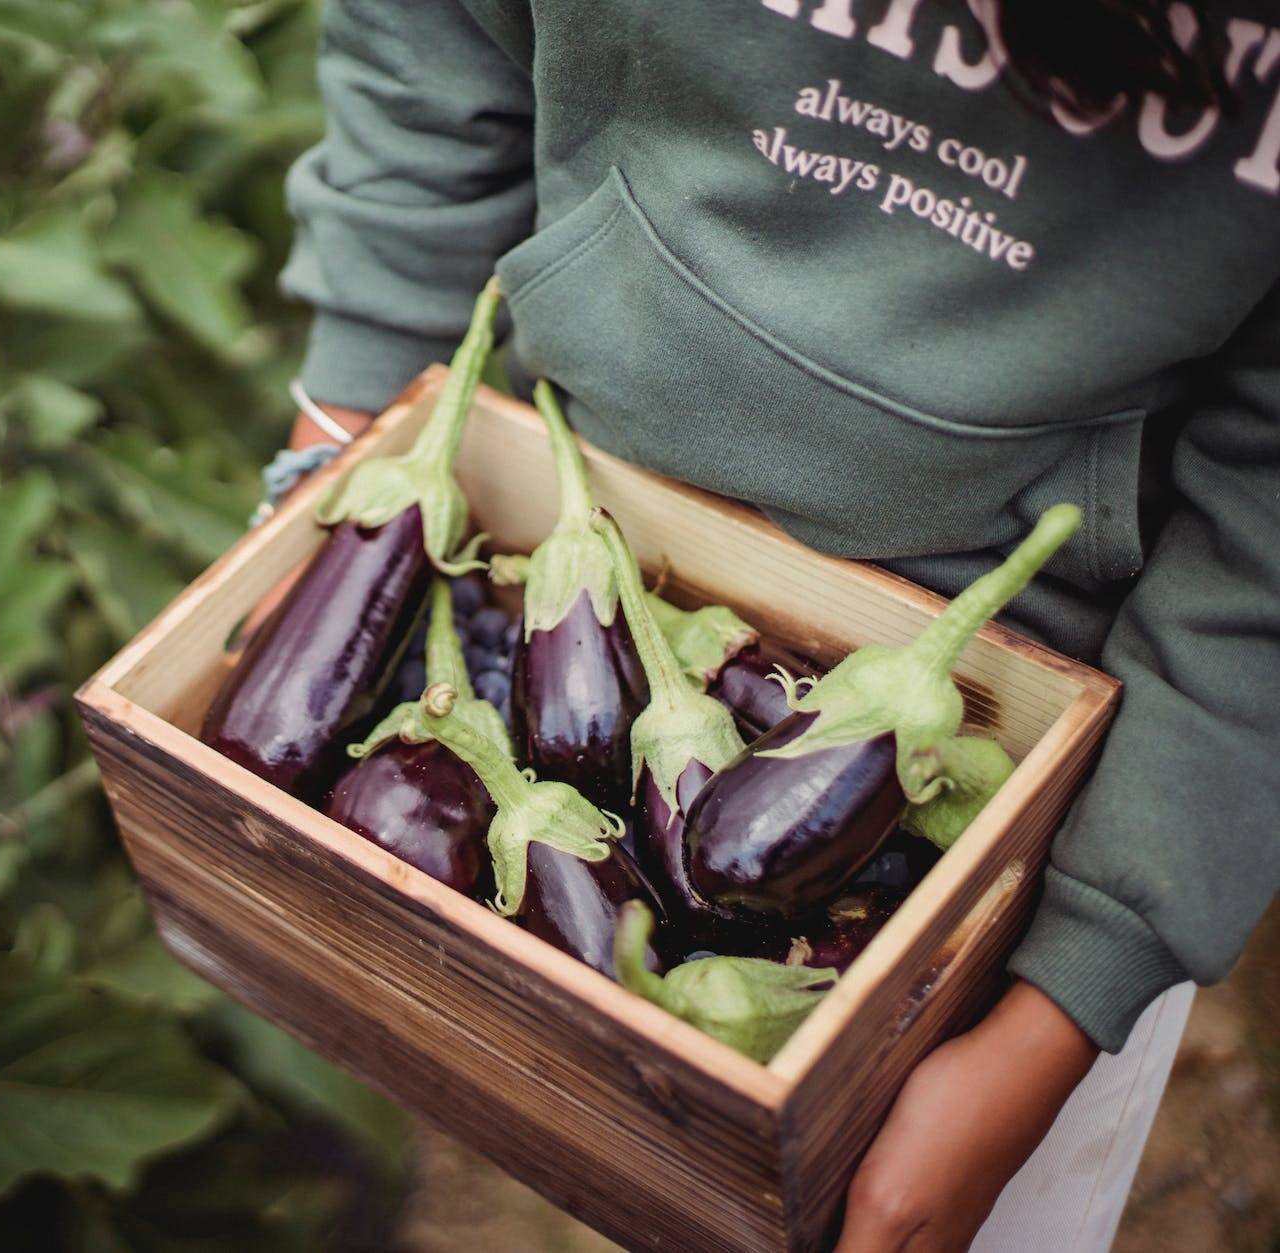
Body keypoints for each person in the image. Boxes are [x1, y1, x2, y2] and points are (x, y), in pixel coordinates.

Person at [275, 1, 1280, 1248]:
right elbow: (429, 54)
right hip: (563, 585)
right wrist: (337, 472)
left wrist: (1061, 1006)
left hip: (1052, 817)